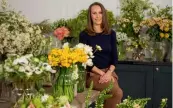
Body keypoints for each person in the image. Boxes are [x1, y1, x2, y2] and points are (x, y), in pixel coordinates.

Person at [79, 2, 123, 108]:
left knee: (115, 93)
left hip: (109, 72)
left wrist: (108, 73)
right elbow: (85, 60)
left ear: (103, 14)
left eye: (100, 12)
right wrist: (101, 73)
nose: (97, 16)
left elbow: (115, 58)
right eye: (94, 13)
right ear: (90, 16)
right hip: (93, 75)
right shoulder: (84, 35)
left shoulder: (111, 33)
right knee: (117, 92)